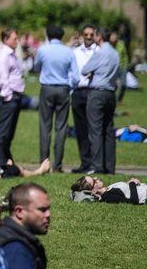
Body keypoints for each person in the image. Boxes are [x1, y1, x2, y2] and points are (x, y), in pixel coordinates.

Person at [0, 183, 102, 269]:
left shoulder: (12, 235)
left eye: (48, 209)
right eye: (42, 210)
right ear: (19, 211)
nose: (49, 214)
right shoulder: (15, 248)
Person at [32, 25, 76, 173]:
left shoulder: (43, 49)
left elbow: (36, 67)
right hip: (63, 88)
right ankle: (57, 165)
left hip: (47, 88)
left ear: (48, 35)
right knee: (61, 127)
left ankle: (44, 163)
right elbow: (75, 76)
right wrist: (69, 86)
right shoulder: (68, 51)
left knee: (45, 126)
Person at [80, 27, 118, 175]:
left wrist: (93, 73)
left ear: (99, 37)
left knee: (95, 130)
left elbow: (85, 69)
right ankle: (110, 166)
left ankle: (97, 166)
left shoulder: (100, 52)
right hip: (110, 92)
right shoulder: (115, 53)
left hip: (97, 93)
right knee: (108, 130)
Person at [0, 28, 24, 174]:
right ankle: (0, 162)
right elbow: (3, 78)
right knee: (3, 131)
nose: (17, 41)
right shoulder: (3, 56)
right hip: (9, 96)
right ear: (6, 40)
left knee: (9, 132)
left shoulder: (11, 54)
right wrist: (8, 96)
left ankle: (6, 159)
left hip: (15, 95)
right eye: (14, 39)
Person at [70, 24, 98, 173]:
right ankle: (84, 162)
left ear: (95, 35)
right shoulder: (75, 52)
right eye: (86, 34)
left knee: (92, 129)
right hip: (77, 92)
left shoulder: (99, 52)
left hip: (92, 92)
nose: (88, 37)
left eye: (91, 35)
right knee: (80, 130)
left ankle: (94, 162)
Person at [70, 174, 147, 207]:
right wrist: (132, 183)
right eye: (93, 182)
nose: (96, 179)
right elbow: (133, 201)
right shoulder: (108, 196)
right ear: (93, 191)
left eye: (93, 177)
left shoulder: (108, 190)